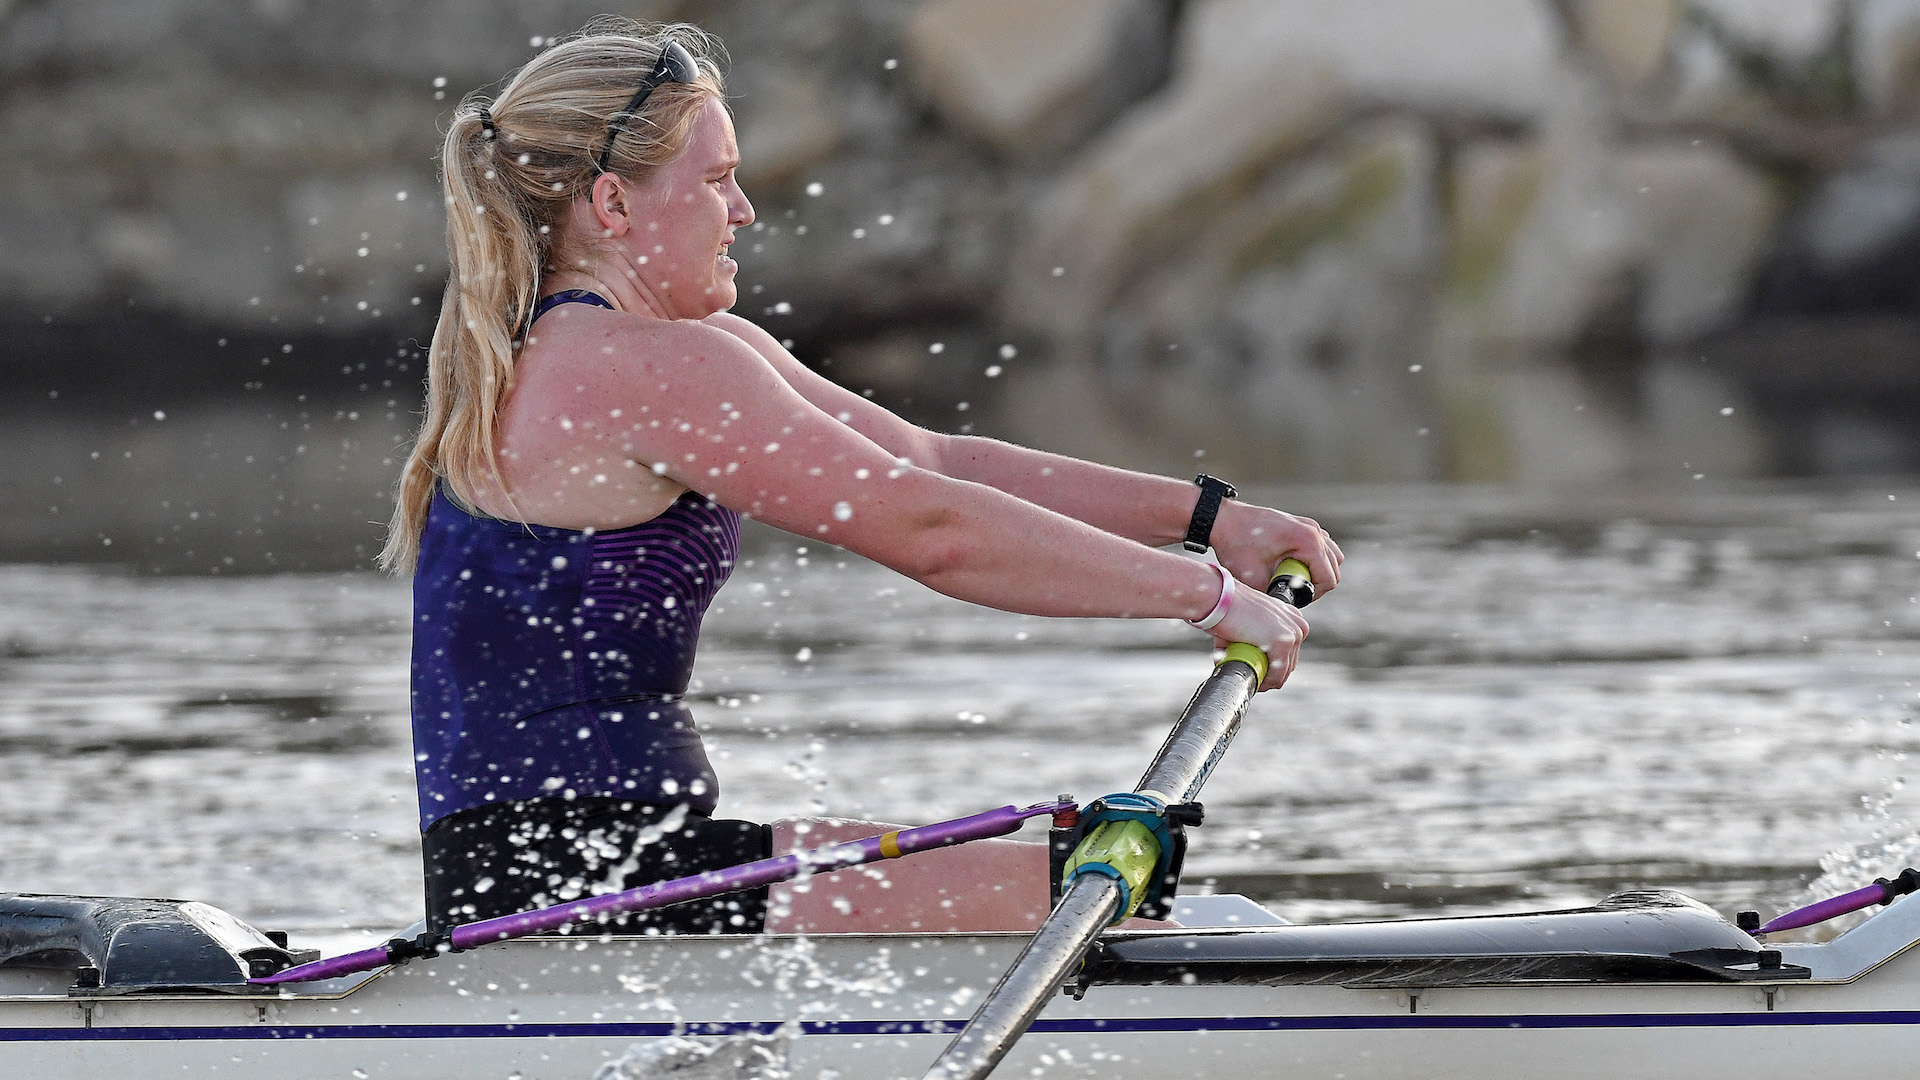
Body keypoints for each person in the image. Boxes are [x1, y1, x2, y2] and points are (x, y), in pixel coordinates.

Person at [380, 19, 1342, 938]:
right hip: (568, 891)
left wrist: (1208, 518)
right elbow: (931, 529)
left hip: (591, 868)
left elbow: (930, 461)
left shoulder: (645, 348)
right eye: (718, 180)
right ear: (613, 204)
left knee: (1084, 865)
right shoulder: (629, 366)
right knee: (1092, 881)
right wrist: (1209, 600)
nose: (745, 211)